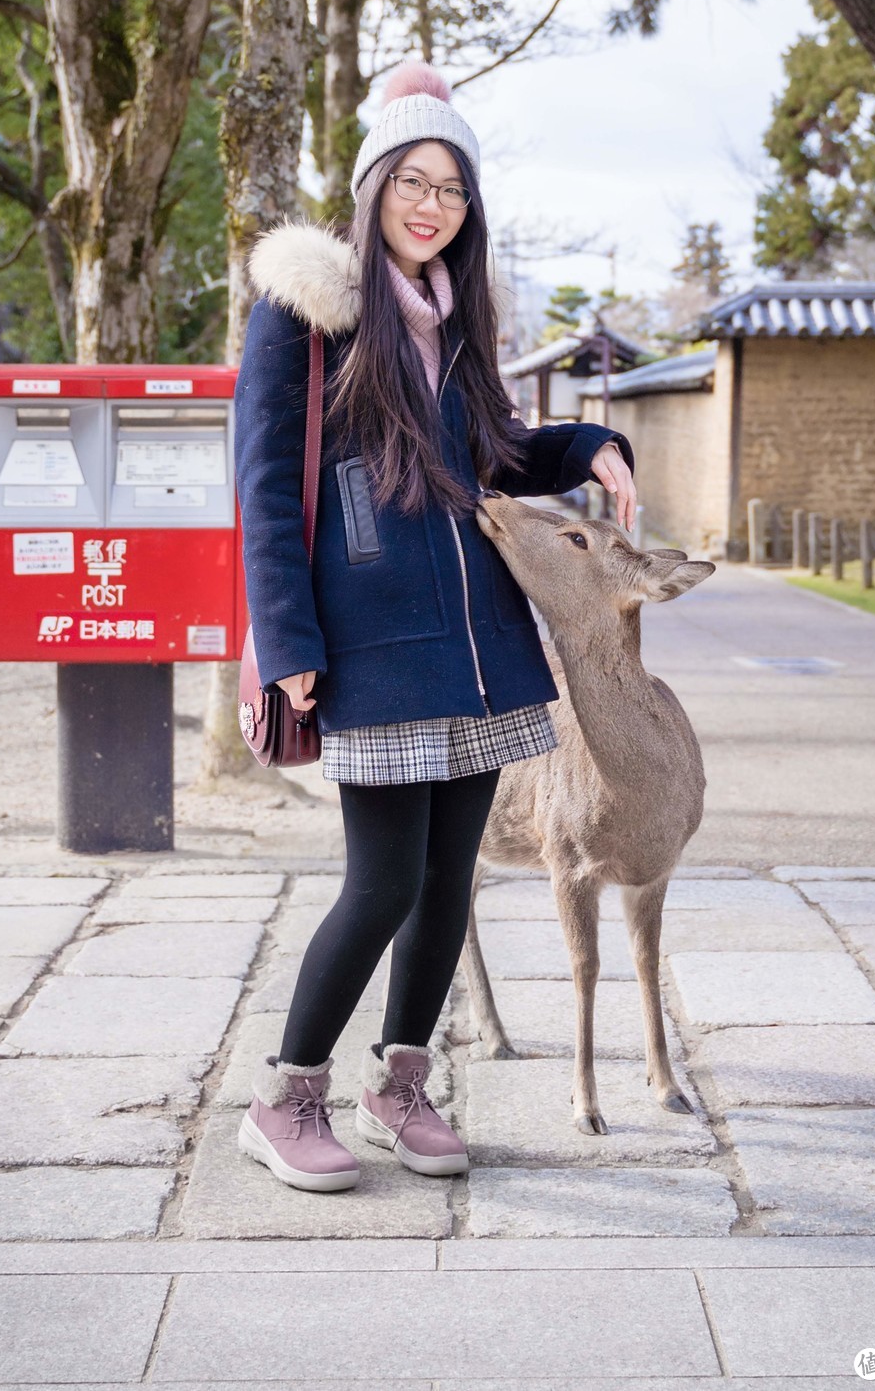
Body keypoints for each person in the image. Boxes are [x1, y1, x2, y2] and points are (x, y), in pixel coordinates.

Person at [233, 62, 637, 1194]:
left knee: (450, 882)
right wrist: (292, 644)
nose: (431, 205)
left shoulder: (455, 326)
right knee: (382, 883)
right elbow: (266, 489)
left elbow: (497, 452)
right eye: (412, 181)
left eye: (452, 190)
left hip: (478, 651)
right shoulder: (306, 318)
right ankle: (286, 1096)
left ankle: (400, 1086)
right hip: (369, 651)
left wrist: (588, 449)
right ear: (372, 193)